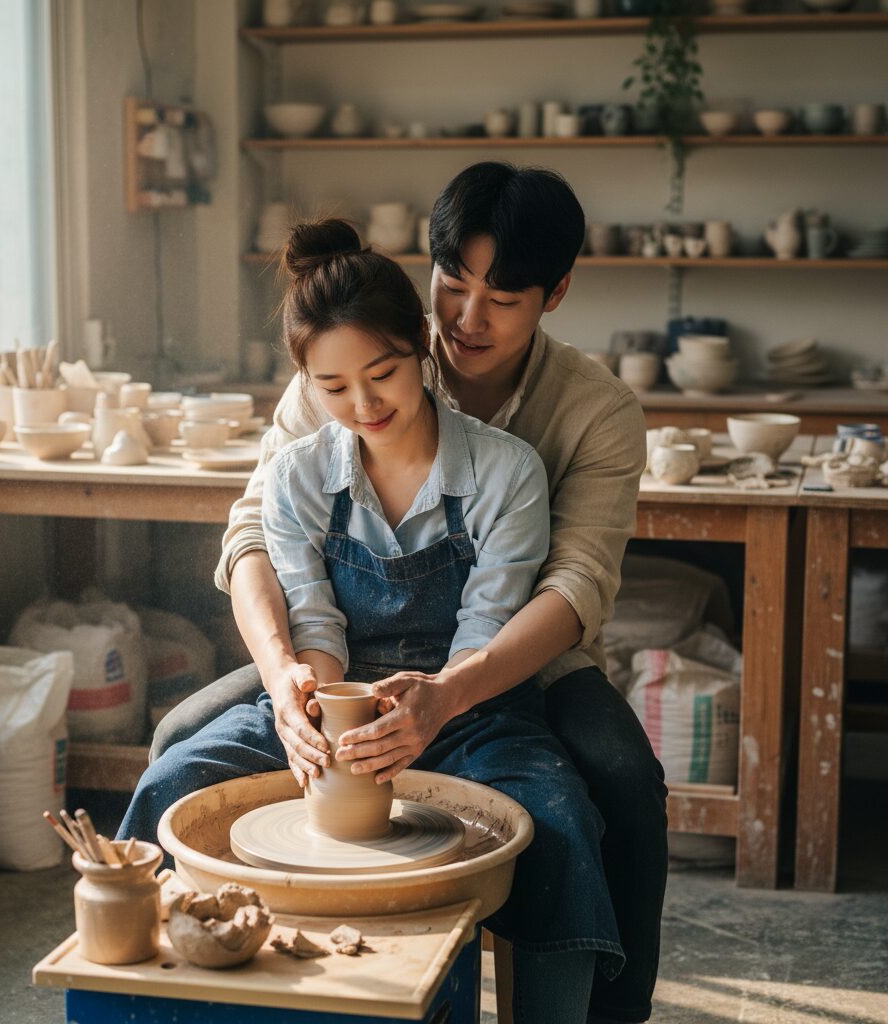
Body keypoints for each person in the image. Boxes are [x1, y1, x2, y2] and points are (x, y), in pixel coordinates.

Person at [154, 163, 666, 1024]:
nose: (468, 318)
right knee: (177, 742)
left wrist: (450, 694)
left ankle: (605, 1011)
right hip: (342, 654)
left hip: (519, 658)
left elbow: (575, 585)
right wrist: (287, 673)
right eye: (453, 285)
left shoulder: (592, 412)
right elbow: (253, 535)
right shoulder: (346, 359)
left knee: (615, 780)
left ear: (557, 292)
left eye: (502, 298)